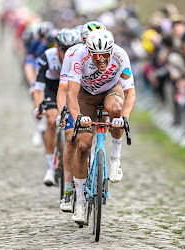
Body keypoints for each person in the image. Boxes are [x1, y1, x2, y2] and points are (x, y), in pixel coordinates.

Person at [67, 29, 136, 222]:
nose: (101, 60)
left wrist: (123, 118)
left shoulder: (121, 55)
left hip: (110, 91)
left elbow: (130, 93)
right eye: (96, 56)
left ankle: (115, 158)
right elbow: (71, 95)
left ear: (111, 51)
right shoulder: (79, 56)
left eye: (105, 55)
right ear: (89, 51)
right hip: (86, 95)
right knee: (82, 145)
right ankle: (79, 202)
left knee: (116, 109)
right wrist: (78, 117)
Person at [56, 21, 106, 212]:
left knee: (96, 134)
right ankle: (69, 191)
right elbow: (63, 89)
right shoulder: (73, 54)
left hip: (98, 98)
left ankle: (97, 169)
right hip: (77, 97)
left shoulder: (109, 55)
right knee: (72, 139)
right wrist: (63, 111)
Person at [33, 28, 79, 186]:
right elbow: (38, 86)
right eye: (64, 49)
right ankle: (50, 167)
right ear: (57, 48)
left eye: (70, 49)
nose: (67, 53)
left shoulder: (79, 58)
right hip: (52, 89)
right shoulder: (48, 57)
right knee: (52, 121)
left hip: (71, 89)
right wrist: (38, 107)